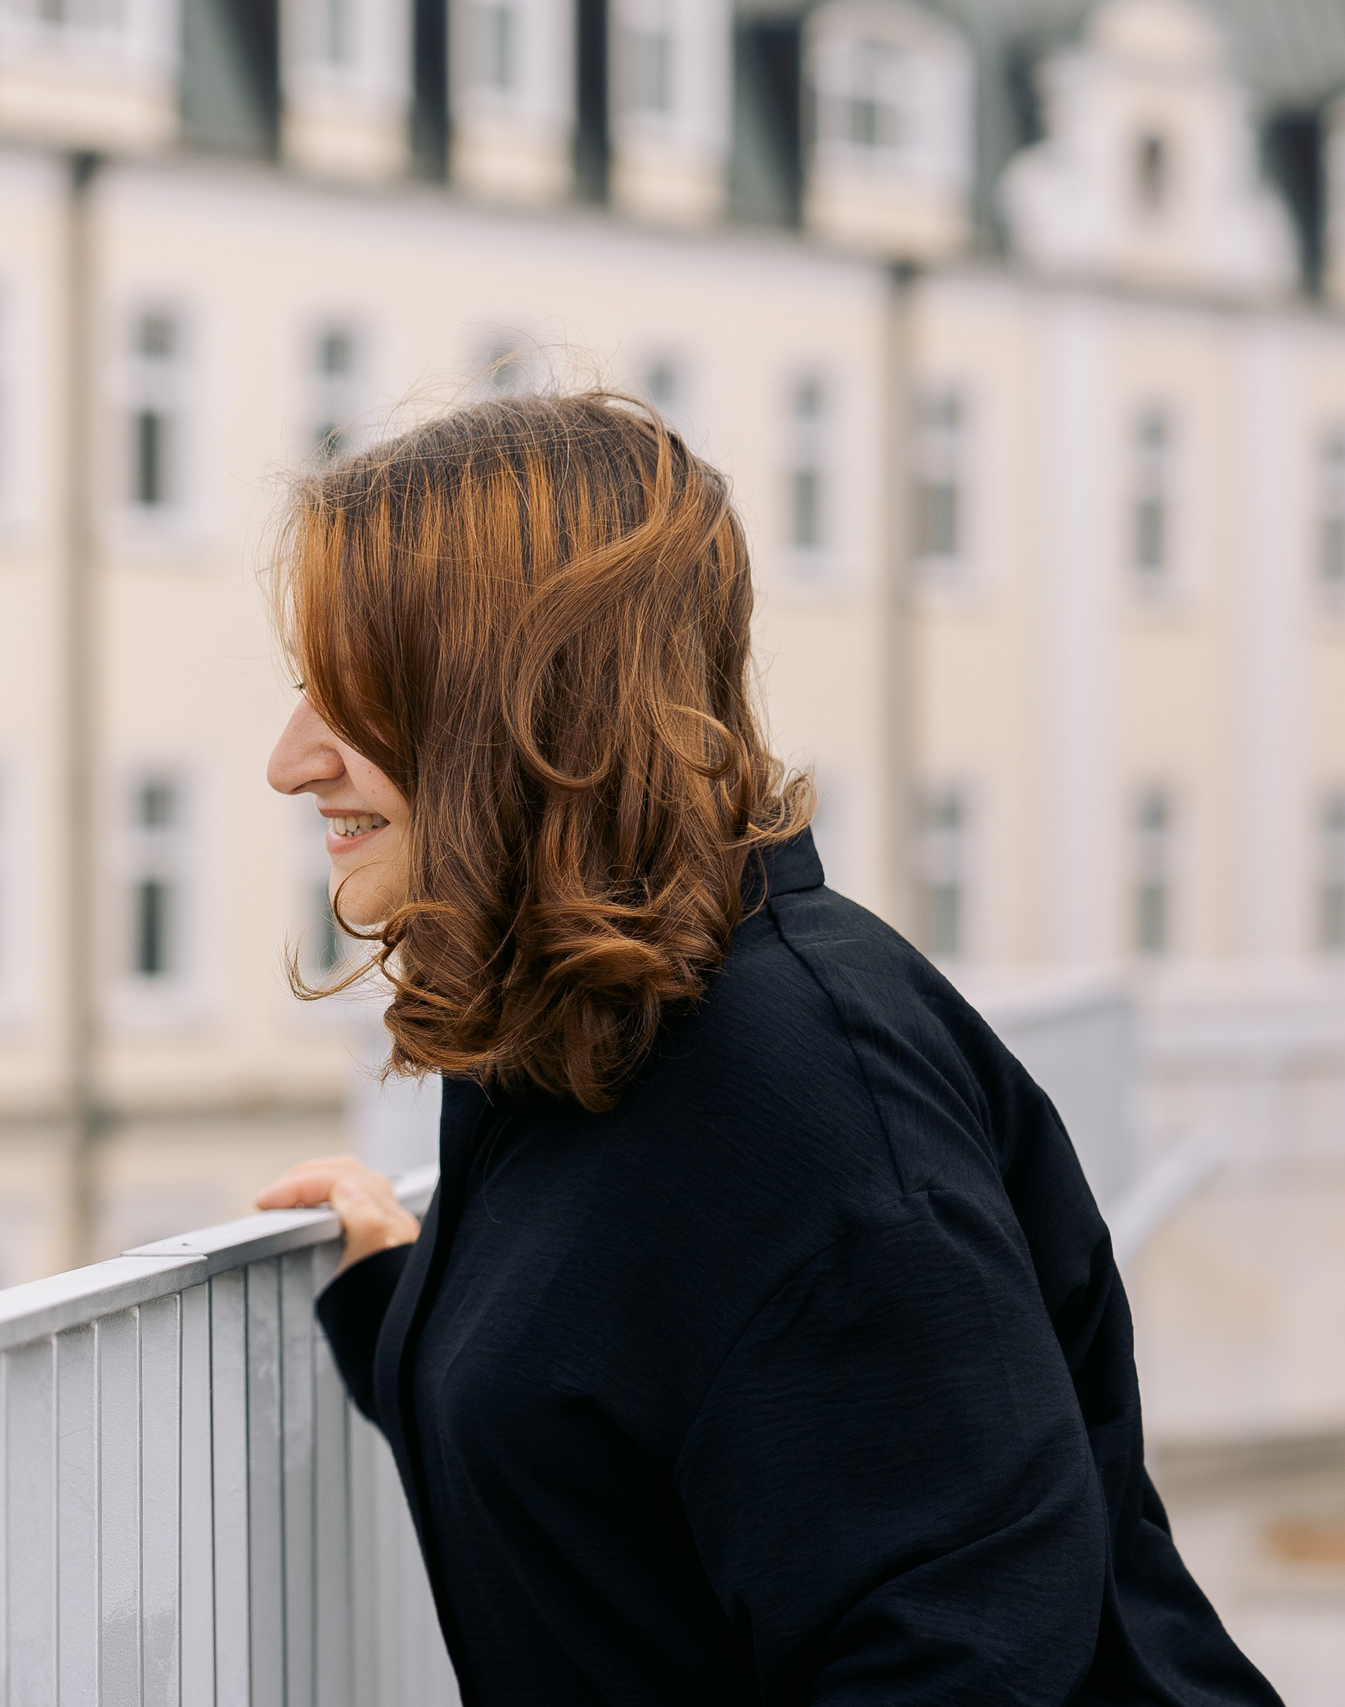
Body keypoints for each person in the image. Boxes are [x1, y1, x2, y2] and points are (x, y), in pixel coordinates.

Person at [254, 391, 1278, 1705]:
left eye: (354, 695)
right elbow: (641, 1405)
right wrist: (414, 1304)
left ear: (522, 703)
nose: (293, 762)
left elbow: (950, 1663)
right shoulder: (606, 1027)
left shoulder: (808, 1109)